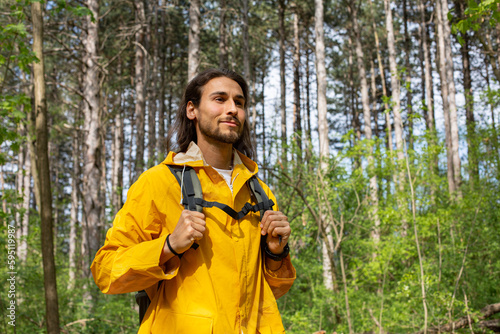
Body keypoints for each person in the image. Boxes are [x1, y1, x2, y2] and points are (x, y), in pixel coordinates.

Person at [91, 68, 296, 334]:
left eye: (239, 102)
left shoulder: (260, 192)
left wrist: (275, 252)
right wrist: (168, 247)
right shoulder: (159, 182)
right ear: (192, 110)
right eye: (220, 99)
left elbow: (274, 289)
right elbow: (106, 272)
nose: (232, 109)